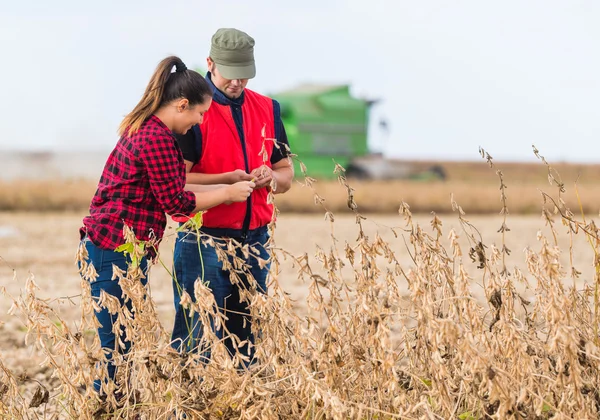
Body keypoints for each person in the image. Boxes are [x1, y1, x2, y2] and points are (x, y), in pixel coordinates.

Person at [77, 55, 255, 394]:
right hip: (112, 251)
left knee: (122, 340)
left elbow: (174, 182)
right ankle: (103, 407)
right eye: (200, 114)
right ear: (182, 105)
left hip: (122, 250)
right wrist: (229, 193)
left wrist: (226, 178)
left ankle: (114, 405)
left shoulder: (152, 130)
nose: (200, 122)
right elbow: (176, 204)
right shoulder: (156, 138)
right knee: (116, 347)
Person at [170, 28, 294, 365]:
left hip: (254, 240)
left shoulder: (269, 108)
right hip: (202, 240)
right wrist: (226, 190)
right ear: (210, 63)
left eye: (244, 75)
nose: (237, 83)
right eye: (230, 75)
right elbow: (177, 181)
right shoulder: (193, 111)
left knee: (247, 342)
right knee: (196, 340)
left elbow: (286, 174)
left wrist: (272, 178)